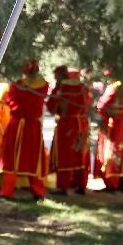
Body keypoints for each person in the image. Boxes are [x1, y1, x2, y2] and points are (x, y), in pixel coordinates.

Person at [0, 59, 49, 200]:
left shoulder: (18, 84)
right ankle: (38, 193)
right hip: (33, 127)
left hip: (17, 126)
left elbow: (9, 100)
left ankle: (6, 192)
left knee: (11, 158)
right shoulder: (44, 85)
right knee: (33, 159)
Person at [47, 65, 92, 194]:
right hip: (82, 124)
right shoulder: (83, 87)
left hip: (67, 124)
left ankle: (63, 186)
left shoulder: (61, 88)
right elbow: (88, 104)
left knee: (65, 155)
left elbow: (51, 106)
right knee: (80, 154)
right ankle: (81, 184)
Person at [94, 75, 123, 190]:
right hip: (121, 124)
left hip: (114, 125)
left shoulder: (116, 88)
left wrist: (103, 113)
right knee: (118, 150)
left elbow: (103, 105)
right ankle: (113, 181)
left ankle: (111, 182)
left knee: (112, 150)